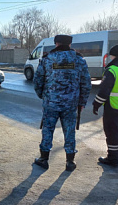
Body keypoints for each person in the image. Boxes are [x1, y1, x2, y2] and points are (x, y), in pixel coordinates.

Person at [33, 34, 92, 171]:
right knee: (70, 131)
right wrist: (82, 102)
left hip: (51, 103)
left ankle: (44, 159)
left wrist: (43, 96)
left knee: (48, 130)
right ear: (70, 44)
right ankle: (70, 162)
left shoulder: (47, 59)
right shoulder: (79, 60)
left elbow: (38, 81)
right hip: (71, 104)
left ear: (56, 43)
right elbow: (86, 83)